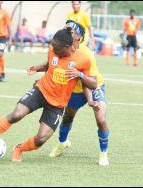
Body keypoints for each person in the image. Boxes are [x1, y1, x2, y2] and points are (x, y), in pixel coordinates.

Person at [0, 26, 98, 163]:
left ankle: (19, 149)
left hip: (57, 104)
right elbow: (50, 64)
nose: (54, 52)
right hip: (41, 90)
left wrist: (80, 75)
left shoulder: (85, 58)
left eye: (58, 51)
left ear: (68, 47)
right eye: (54, 49)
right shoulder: (54, 50)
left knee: (41, 139)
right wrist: (38, 68)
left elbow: (93, 83)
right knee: (16, 114)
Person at [46, 20, 110, 166]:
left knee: (100, 118)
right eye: (66, 29)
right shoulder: (59, 47)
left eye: (71, 31)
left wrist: (80, 75)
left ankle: (103, 153)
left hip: (94, 86)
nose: (67, 32)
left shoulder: (86, 54)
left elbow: (92, 83)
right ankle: (62, 143)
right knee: (68, 116)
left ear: (79, 37)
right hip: (75, 90)